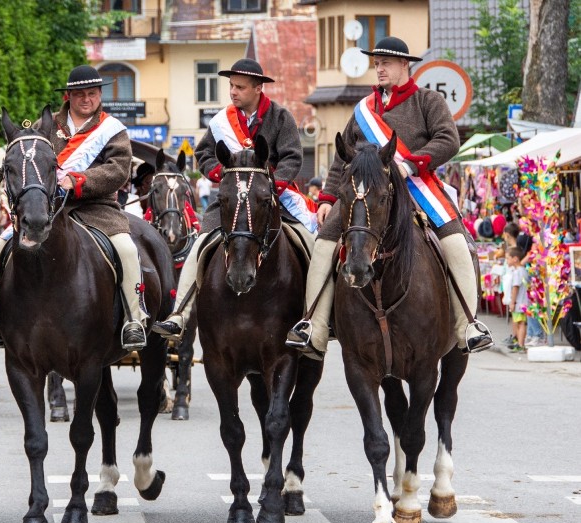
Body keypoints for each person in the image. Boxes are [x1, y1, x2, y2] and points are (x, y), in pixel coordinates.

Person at [286, 37, 493, 358]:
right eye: (377, 63)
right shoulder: (364, 110)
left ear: (404, 66)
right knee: (325, 243)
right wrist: (327, 197)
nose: (379, 69)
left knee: (456, 242)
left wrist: (411, 163)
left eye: (385, 63)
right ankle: (314, 325)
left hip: (417, 188)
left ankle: (467, 326)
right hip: (364, 193)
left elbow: (448, 140)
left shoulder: (428, 101)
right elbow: (344, 155)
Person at [0, 64, 147, 350]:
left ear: (100, 95)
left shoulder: (112, 130)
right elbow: (27, 158)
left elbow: (118, 170)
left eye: (92, 93)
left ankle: (134, 319)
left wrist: (78, 180)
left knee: (126, 249)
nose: (86, 99)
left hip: (96, 208)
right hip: (47, 209)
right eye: (79, 94)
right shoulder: (45, 125)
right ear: (68, 97)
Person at [153, 58, 311, 339]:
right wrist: (221, 174)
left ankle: (313, 317)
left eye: (240, 87)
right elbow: (204, 154)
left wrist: (270, 185)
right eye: (231, 86)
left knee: (308, 243)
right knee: (200, 246)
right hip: (229, 204)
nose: (233, 92)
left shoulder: (280, 117)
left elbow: (292, 157)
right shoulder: (220, 121)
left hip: (271, 202)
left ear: (258, 88)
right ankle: (180, 314)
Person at [506, 246, 528, 353]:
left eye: (508, 258)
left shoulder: (518, 272)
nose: (507, 261)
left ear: (515, 259)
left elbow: (515, 288)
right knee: (519, 323)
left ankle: (520, 344)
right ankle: (519, 343)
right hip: (522, 301)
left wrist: (512, 302)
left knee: (521, 323)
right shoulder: (522, 270)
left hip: (519, 302)